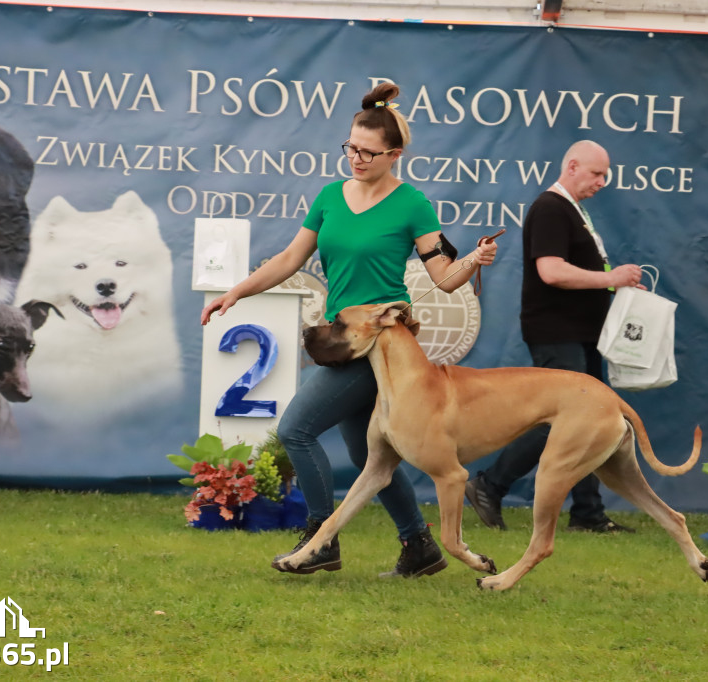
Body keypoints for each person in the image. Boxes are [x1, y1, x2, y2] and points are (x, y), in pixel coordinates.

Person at [201, 82, 497, 577]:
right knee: (369, 453)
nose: (356, 159)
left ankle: (321, 539)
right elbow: (292, 258)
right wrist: (237, 292)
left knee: (296, 430)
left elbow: (444, 279)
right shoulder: (330, 196)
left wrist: (473, 260)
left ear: (394, 155)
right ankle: (420, 547)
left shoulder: (412, 205)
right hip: (342, 342)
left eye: (367, 152)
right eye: (350, 148)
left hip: (380, 346)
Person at [464, 140, 642, 533]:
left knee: (592, 420)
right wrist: (610, 278)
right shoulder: (550, 207)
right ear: (573, 166)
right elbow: (551, 271)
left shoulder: (571, 211)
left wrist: (613, 286)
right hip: (558, 333)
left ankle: (587, 512)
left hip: (581, 334)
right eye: (597, 173)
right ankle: (489, 485)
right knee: (564, 420)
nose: (603, 181)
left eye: (605, 174)